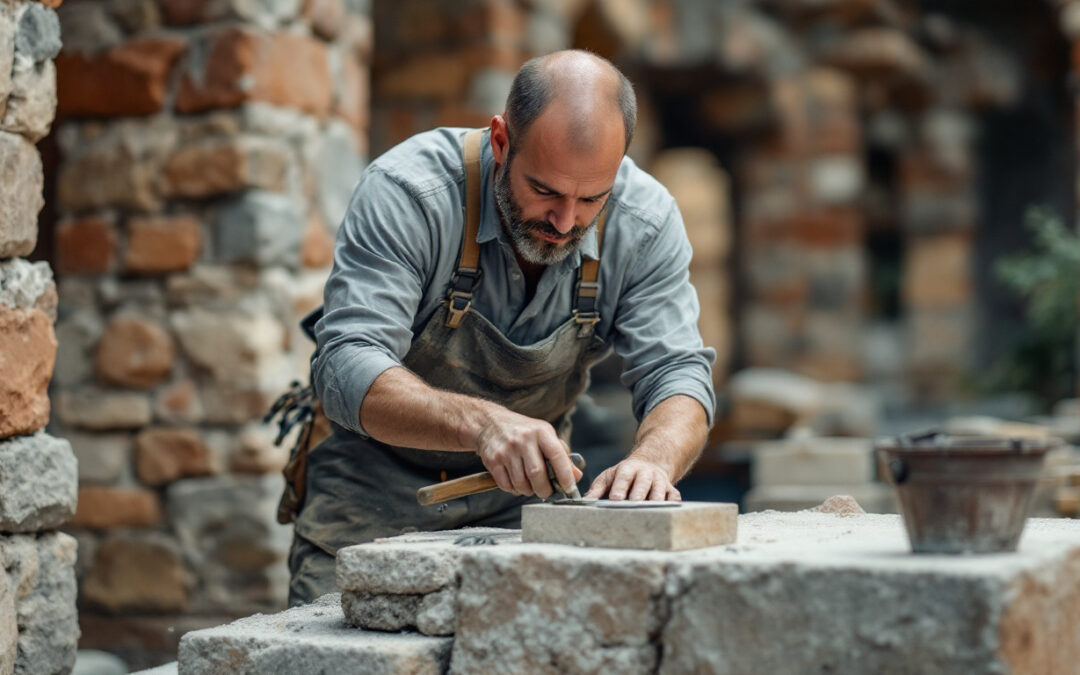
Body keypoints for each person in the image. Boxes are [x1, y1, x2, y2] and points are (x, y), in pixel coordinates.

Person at [287, 50, 716, 605]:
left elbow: (679, 372)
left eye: (591, 199)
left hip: (530, 506)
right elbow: (347, 363)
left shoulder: (645, 221)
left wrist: (654, 459)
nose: (565, 222)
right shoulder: (410, 193)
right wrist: (484, 425)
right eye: (545, 191)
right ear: (500, 142)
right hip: (369, 499)